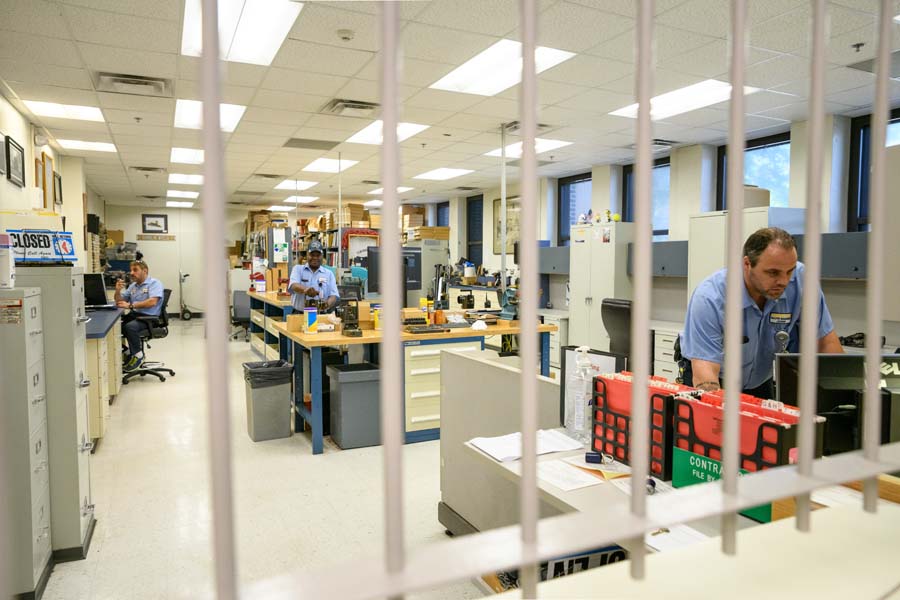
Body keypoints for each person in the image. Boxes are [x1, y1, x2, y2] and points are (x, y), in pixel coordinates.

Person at [680, 227, 843, 399]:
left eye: (790, 271)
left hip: (760, 379)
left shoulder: (802, 282)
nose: (783, 281)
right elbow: (706, 372)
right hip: (717, 376)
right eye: (773, 272)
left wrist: (844, 398)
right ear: (747, 264)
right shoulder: (710, 298)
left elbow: (826, 343)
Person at [114, 260, 164, 371]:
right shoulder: (133, 286)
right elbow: (120, 301)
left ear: (144, 271)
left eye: (135, 270)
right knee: (114, 328)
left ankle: (138, 356)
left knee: (130, 327)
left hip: (149, 318)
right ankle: (128, 353)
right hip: (135, 315)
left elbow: (152, 302)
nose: (131, 273)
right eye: (131, 270)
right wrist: (117, 291)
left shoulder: (154, 283)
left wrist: (131, 306)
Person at [288, 240, 339, 313]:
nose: (315, 258)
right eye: (312, 255)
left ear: (322, 256)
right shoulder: (298, 269)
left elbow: (333, 296)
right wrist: (306, 290)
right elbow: (294, 285)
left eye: (318, 255)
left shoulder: (329, 274)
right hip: (300, 314)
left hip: (321, 315)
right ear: (307, 255)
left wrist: (326, 304)